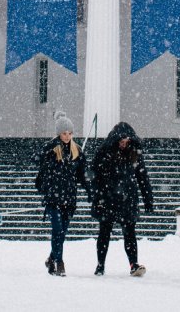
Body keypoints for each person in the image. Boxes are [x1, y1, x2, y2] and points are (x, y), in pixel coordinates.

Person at [88, 121, 154, 277]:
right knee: (104, 232)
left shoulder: (134, 154)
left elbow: (142, 177)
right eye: (122, 141)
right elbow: (93, 176)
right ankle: (100, 265)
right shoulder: (104, 152)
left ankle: (133, 264)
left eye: (127, 141)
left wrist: (148, 198)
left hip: (127, 199)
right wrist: (96, 195)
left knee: (129, 233)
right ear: (115, 140)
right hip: (107, 198)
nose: (124, 144)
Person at [34, 111, 86, 277]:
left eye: (70, 133)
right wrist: (48, 151)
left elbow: (83, 174)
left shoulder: (76, 150)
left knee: (62, 232)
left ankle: (51, 258)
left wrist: (92, 191)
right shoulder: (51, 148)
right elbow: (38, 162)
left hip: (69, 198)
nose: (67, 136)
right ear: (59, 133)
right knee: (57, 230)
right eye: (64, 133)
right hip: (54, 197)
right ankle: (59, 262)